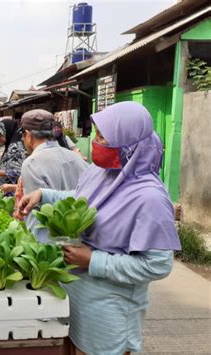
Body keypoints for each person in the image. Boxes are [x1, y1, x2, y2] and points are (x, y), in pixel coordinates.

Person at [17, 102, 181, 355]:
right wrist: (44, 194)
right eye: (96, 133)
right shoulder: (102, 172)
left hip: (109, 316)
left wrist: (93, 259)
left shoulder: (149, 198)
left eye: (103, 136)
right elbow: (84, 199)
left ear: (127, 141)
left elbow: (158, 265)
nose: (96, 141)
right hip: (77, 300)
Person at [19, 109, 88, 241]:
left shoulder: (31, 163)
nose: (23, 139)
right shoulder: (76, 157)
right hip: (79, 245)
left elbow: (37, 218)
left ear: (28, 135)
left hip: (52, 250)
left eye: (22, 135)